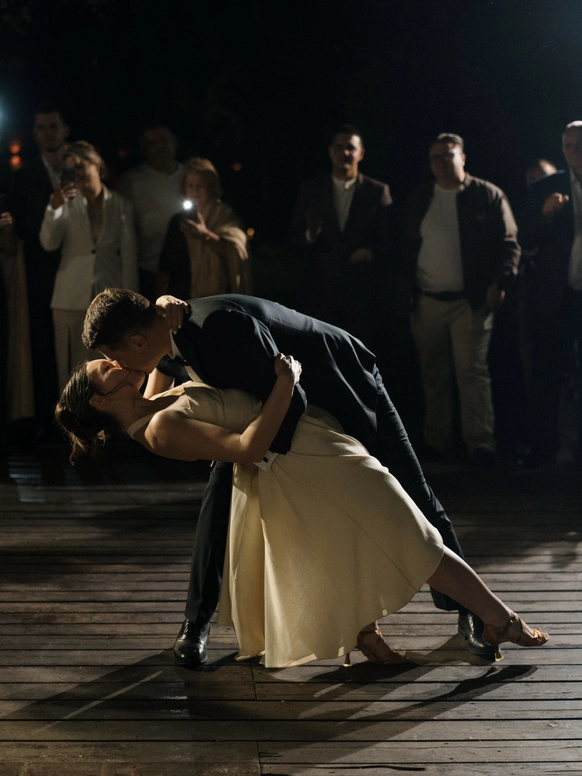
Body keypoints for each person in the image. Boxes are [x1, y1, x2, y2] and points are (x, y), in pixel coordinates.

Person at [81, 288, 497, 666]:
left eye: (114, 356)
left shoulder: (216, 329)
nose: (118, 365)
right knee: (220, 498)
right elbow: (151, 399)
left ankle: (474, 613)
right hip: (263, 416)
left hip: (343, 386)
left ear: (138, 341)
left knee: (414, 492)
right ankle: (197, 620)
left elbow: (292, 394)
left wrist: (254, 453)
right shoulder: (166, 336)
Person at [399, 133, 521, 466]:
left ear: (463, 158)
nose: (441, 162)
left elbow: (509, 244)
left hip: (471, 302)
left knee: (472, 372)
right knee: (433, 374)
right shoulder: (420, 197)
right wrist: (405, 291)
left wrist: (500, 283)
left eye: (448, 155)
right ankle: (436, 441)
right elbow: (405, 246)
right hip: (427, 300)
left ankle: (480, 444)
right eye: (435, 156)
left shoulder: (487, 194)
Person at [39, 142, 139, 390]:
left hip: (108, 297)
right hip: (69, 297)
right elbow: (49, 243)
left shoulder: (121, 204)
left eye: (80, 166)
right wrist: (54, 206)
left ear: (97, 164)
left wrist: (131, 305)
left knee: (106, 369)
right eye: (70, 169)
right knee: (70, 370)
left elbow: (129, 257)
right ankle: (71, 412)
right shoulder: (66, 203)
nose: (77, 173)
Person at [290, 124, 394, 345]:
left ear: (361, 153)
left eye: (350, 148)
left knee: (357, 353)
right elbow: (294, 240)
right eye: (338, 147)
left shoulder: (377, 191)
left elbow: (389, 242)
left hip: (362, 295)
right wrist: (310, 234)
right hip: (320, 294)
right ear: (330, 151)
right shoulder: (312, 190)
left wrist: (370, 252)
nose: (344, 152)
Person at [519, 121, 582, 467]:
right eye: (569, 146)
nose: (575, 152)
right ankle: (542, 450)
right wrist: (544, 215)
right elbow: (524, 237)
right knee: (547, 374)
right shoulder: (546, 187)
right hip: (558, 297)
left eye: (580, 144)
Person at [7, 103, 70, 437]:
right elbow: (20, 226)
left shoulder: (78, 169)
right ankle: (47, 421)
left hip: (79, 266)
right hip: (41, 273)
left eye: (53, 126)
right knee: (43, 346)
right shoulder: (25, 176)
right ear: (35, 134)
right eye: (42, 128)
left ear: (65, 130)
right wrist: (52, 210)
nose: (48, 133)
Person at [156, 157, 251, 300]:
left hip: (217, 299)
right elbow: (165, 266)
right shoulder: (178, 220)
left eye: (200, 186)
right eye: (190, 185)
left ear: (211, 186)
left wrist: (205, 235)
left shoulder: (224, 215)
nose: (195, 191)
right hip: (181, 297)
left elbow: (235, 250)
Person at [116, 122, 184, 301]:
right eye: (152, 143)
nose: (159, 147)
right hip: (147, 271)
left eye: (163, 140)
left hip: (184, 271)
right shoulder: (130, 182)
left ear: (174, 141)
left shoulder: (189, 177)